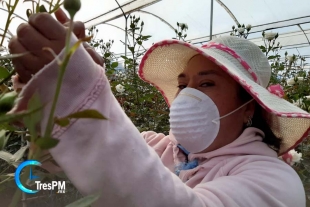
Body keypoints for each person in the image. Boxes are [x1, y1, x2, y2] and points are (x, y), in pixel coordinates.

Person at [8, 9, 310, 207]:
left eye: (206, 84)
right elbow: (59, 159)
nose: (188, 95)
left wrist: (80, 91)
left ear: (248, 107)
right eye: (183, 84)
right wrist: (45, 101)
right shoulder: (157, 146)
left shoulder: (275, 182)